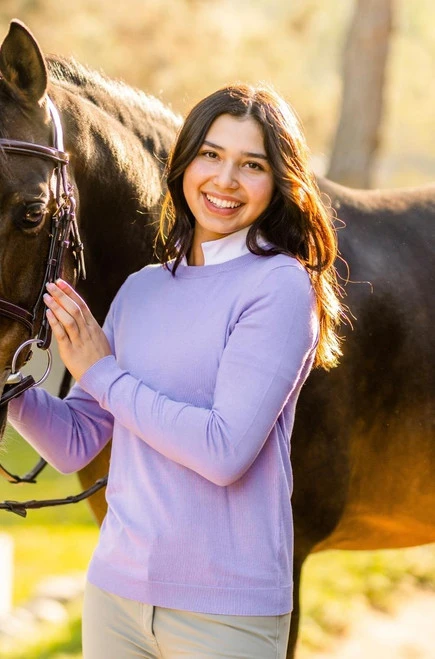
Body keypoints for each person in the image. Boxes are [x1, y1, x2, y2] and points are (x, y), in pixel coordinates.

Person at [8, 83, 343, 659]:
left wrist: (101, 373)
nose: (225, 180)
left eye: (252, 164)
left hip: (226, 614)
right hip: (115, 599)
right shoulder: (142, 288)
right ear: (184, 162)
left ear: (279, 182)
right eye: (211, 155)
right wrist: (9, 385)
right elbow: (74, 442)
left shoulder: (279, 287)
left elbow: (224, 452)